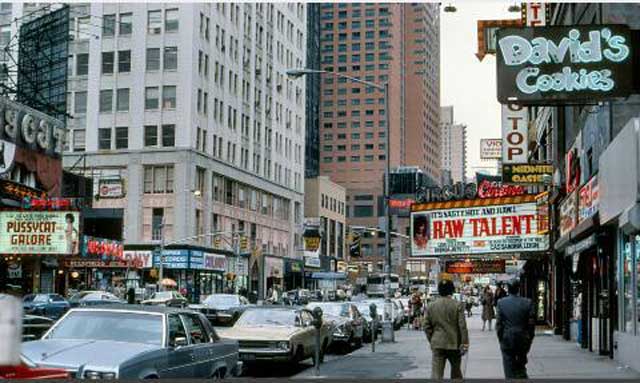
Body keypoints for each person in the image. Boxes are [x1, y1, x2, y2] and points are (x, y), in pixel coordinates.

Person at [423, 279, 469, 379]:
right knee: (456, 372)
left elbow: (426, 326)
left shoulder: (431, 305)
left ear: (439, 291)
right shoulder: (457, 305)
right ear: (452, 291)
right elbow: (462, 326)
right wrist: (464, 343)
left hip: (437, 343)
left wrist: (432, 339)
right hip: (454, 344)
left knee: (436, 374)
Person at [495, 279, 536, 379]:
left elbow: (499, 324)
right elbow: (531, 325)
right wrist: (529, 338)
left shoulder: (501, 303)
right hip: (522, 338)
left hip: (507, 338)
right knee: (521, 365)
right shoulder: (527, 302)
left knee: (508, 365)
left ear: (508, 289)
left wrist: (501, 338)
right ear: (518, 288)